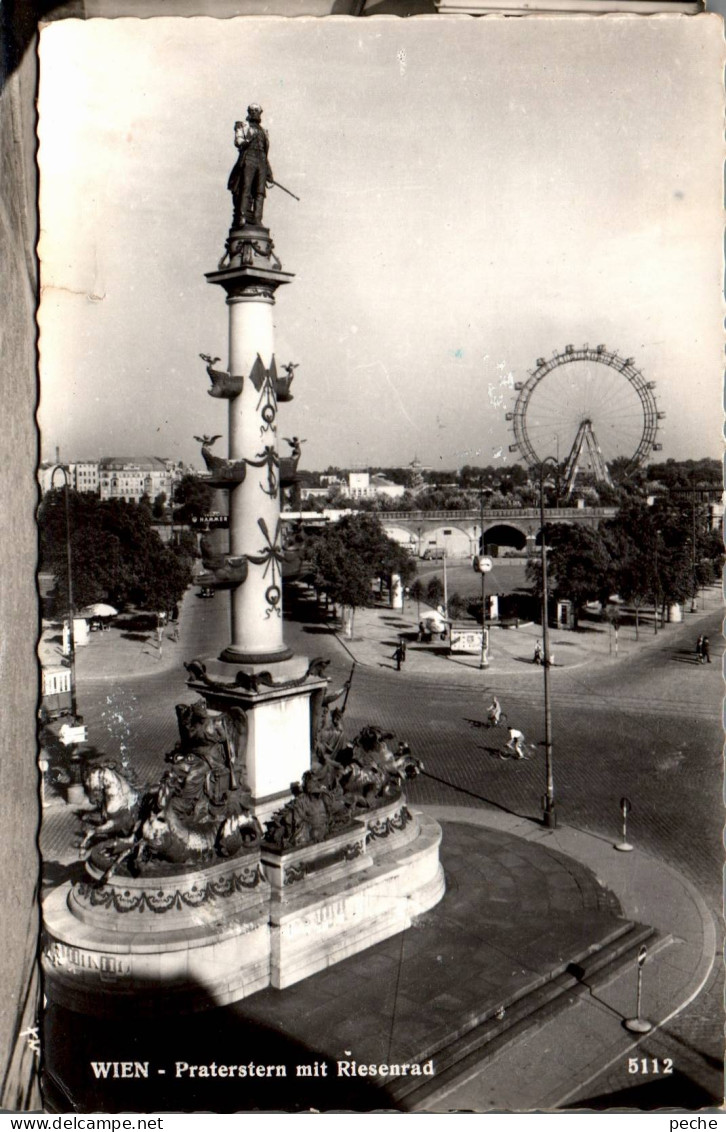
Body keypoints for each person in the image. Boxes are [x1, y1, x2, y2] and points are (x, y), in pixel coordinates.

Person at [228, 104, 273, 228]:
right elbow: (238, 141)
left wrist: (268, 170)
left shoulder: (264, 131)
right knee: (246, 188)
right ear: (248, 112)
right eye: (252, 111)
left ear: (260, 113)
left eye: (257, 111)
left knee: (260, 192)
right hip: (248, 158)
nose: (254, 113)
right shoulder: (243, 126)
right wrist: (245, 142)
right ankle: (242, 217)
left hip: (262, 161)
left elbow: (265, 150)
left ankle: (257, 219)